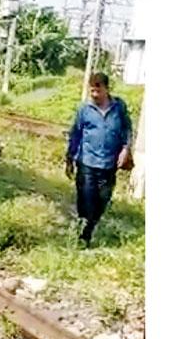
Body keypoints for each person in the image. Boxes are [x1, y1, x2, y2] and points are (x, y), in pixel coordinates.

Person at [65, 72, 134, 246]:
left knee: (102, 200)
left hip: (109, 164)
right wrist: (69, 159)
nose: (95, 95)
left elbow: (127, 129)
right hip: (87, 162)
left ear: (107, 89)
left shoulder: (119, 107)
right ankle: (83, 237)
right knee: (86, 200)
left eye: (98, 91)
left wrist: (125, 149)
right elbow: (75, 134)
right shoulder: (84, 110)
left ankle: (88, 228)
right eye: (92, 91)